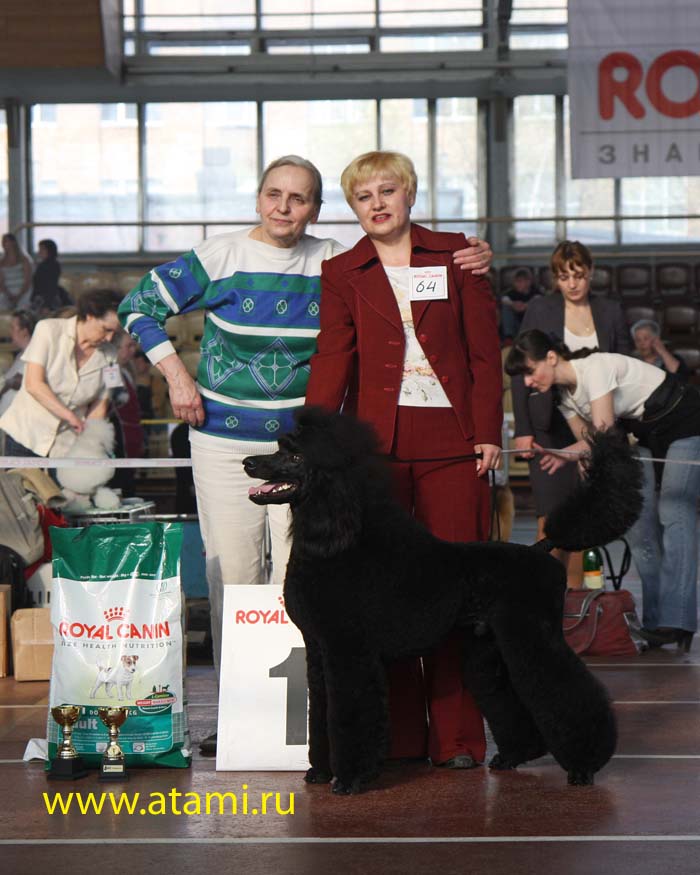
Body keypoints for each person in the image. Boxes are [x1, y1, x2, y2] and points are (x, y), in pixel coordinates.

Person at [117, 154, 493, 756]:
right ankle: (242, 718)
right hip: (225, 442)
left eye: (299, 198)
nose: (283, 207)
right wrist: (177, 378)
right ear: (258, 198)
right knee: (235, 578)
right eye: (274, 194)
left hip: (307, 451)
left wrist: (475, 253)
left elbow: (412, 279)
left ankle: (310, 719)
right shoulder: (221, 256)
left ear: (317, 211)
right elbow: (138, 306)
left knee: (312, 584)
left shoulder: (336, 261)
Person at [304, 150, 503, 770]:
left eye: (387, 191)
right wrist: (313, 442)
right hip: (377, 452)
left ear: (410, 194)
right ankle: (400, 739)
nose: (377, 204)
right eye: (363, 197)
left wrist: (488, 430)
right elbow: (332, 356)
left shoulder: (458, 256)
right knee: (385, 594)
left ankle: (459, 739)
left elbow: (483, 352)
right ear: (353, 208)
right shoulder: (341, 271)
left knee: (455, 591)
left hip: (454, 443)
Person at [505, 328, 700, 652]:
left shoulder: (595, 368)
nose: (527, 382)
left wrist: (567, 453)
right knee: (640, 527)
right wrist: (572, 455)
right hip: (644, 434)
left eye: (529, 371)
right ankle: (655, 623)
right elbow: (590, 445)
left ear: (550, 358)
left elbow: (603, 434)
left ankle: (677, 620)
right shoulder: (564, 398)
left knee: (674, 511)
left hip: (684, 420)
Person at [510, 240, 630, 588]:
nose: (572, 284)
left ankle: (577, 600)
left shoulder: (610, 310)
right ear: (555, 278)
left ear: (591, 272)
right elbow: (520, 370)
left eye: (578, 275)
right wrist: (523, 428)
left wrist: (608, 436)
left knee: (585, 520)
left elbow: (624, 368)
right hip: (549, 426)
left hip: (595, 427)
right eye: (564, 277)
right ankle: (542, 599)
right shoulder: (540, 308)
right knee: (550, 519)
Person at [0, 289, 122, 457]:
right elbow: (33, 385)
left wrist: (92, 440)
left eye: (115, 332)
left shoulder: (111, 355)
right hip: (25, 434)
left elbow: (101, 404)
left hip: (67, 444)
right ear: (90, 316)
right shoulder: (47, 329)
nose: (109, 338)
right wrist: (70, 417)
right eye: (106, 329)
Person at [108, 331, 146, 498]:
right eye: (128, 346)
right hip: (119, 437)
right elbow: (114, 402)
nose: (133, 350)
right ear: (116, 348)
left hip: (131, 436)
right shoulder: (110, 370)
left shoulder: (125, 372)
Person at [0, 309, 37, 417]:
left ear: (24, 332)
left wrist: (4, 384)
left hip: (15, 417)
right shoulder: (21, 354)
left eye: (13, 328)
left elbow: (18, 381)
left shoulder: (33, 355)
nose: (10, 332)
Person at [30, 239, 72, 315]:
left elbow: (51, 286)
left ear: (49, 250)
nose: (39, 252)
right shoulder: (42, 265)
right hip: (41, 298)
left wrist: (47, 305)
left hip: (48, 299)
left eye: (42, 249)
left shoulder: (52, 265)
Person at [500, 267, 542, 342]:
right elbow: (504, 299)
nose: (520, 284)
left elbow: (539, 298)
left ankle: (533, 338)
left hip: (530, 325)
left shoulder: (535, 291)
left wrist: (526, 305)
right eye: (517, 281)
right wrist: (513, 304)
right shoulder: (511, 293)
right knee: (506, 307)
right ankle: (509, 337)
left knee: (537, 306)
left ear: (529, 281)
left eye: (524, 281)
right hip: (515, 324)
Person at [0, 233, 33, 310]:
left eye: (6, 241)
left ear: (13, 242)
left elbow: (27, 281)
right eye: (2, 241)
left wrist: (18, 297)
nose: (3, 244)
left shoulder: (24, 260)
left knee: (21, 308)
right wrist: (8, 295)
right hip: (7, 293)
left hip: (23, 292)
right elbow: (1, 282)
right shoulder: (1, 261)